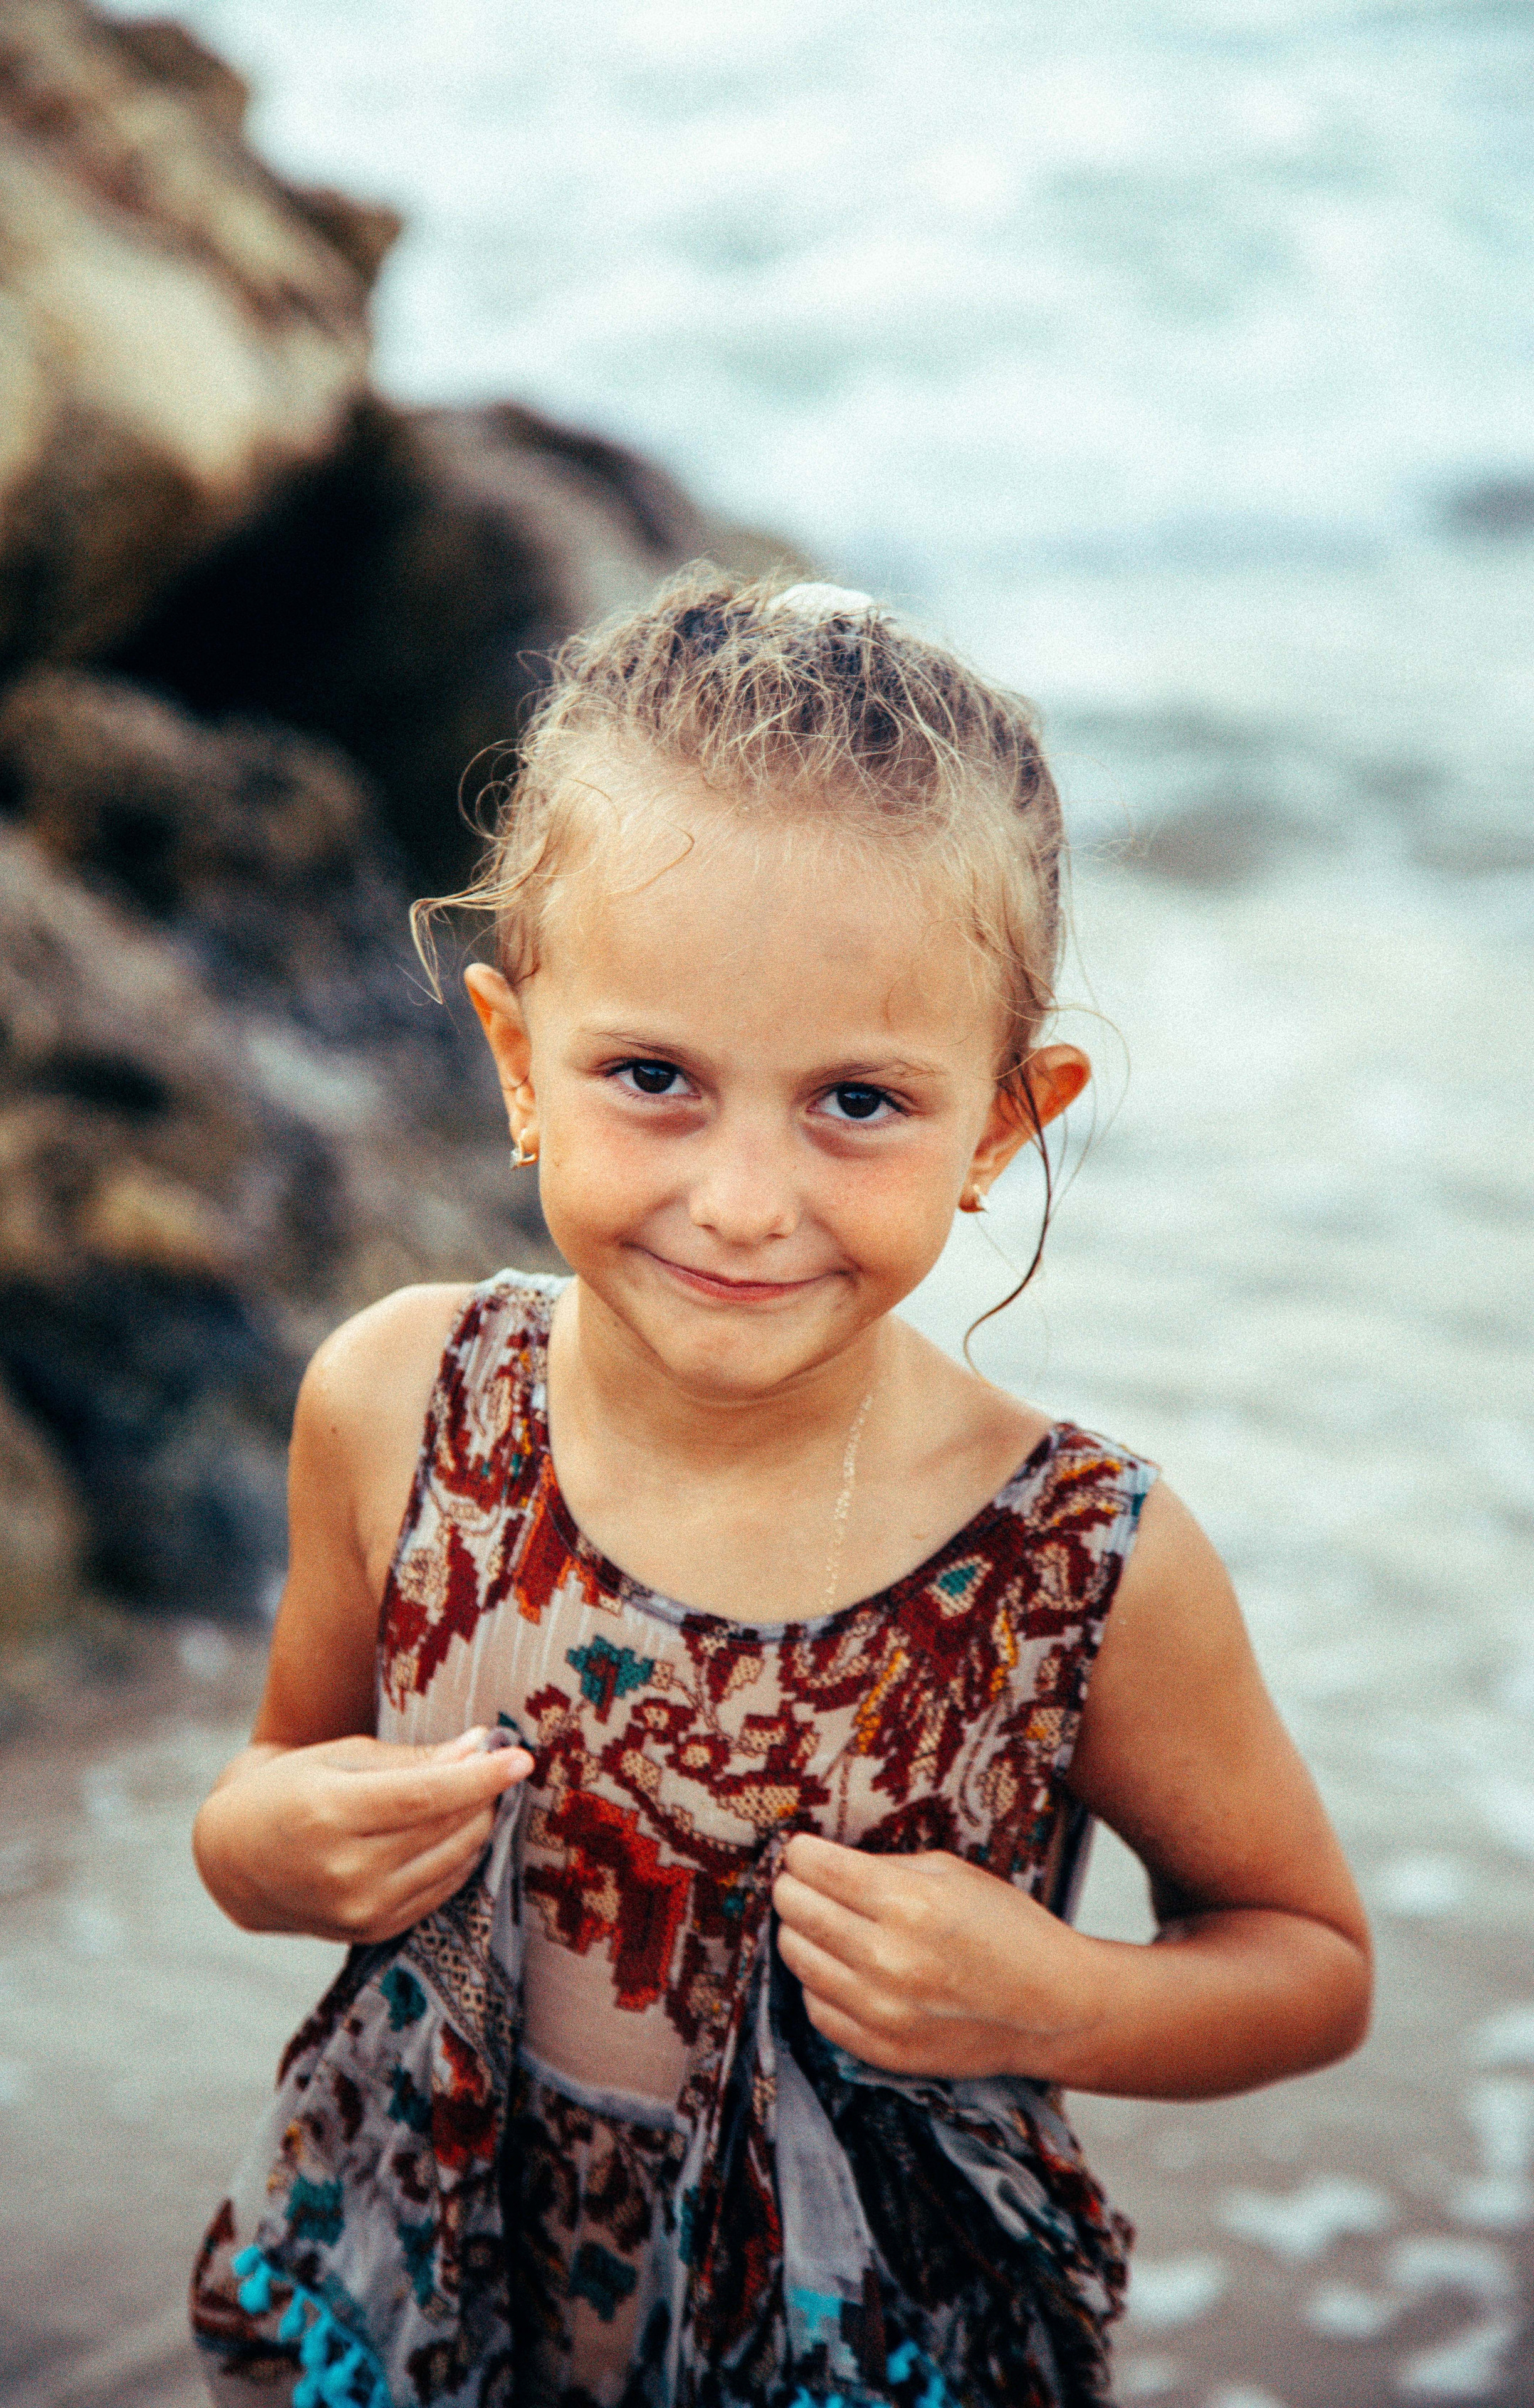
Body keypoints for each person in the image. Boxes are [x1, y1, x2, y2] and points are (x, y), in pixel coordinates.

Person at [188, 570, 1372, 2408]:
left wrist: (1061, 1999)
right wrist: (264, 1848)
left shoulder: (1077, 1562)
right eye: (653, 1076)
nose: (744, 1202)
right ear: (518, 1062)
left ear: (1002, 1121)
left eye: (857, 1104)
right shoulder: (402, 1403)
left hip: (860, 2348)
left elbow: (1306, 1964)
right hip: (419, 2292)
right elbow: (274, 1782)